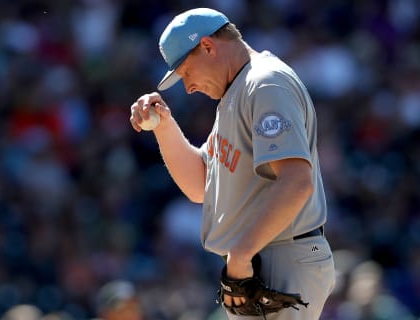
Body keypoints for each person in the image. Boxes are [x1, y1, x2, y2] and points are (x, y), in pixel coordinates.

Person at [129, 7, 336, 319]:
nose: (188, 87)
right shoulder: (237, 90)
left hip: (280, 255)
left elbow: (296, 182)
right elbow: (201, 185)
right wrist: (164, 126)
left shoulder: (264, 83)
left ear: (208, 46)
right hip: (260, 256)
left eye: (186, 72)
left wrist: (240, 256)